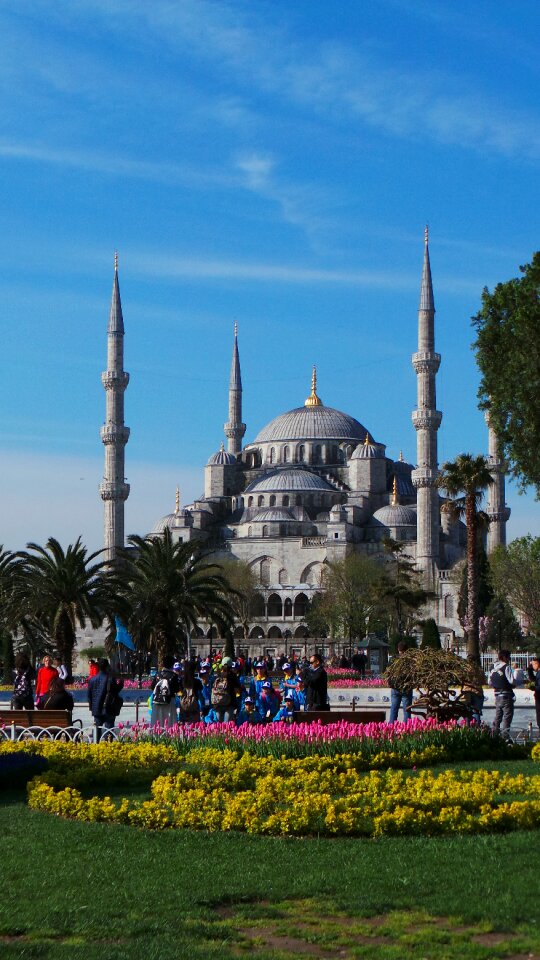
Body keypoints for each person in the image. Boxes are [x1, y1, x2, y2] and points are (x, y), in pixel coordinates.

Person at [88, 658, 124, 740]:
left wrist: (91, 708)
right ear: (107, 666)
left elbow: (89, 696)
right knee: (109, 730)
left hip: (96, 708)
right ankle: (109, 748)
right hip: (108, 707)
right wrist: (121, 683)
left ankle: (96, 746)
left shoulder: (92, 680)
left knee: (97, 730)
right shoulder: (110, 679)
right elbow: (115, 690)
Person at [490, 649, 515, 739]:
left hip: (497, 695)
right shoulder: (506, 667)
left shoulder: (493, 668)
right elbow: (511, 681)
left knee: (498, 717)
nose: (509, 659)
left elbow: (489, 682)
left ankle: (495, 735)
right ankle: (505, 737)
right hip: (506, 695)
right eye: (509, 657)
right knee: (507, 717)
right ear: (505, 657)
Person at [151, 655, 181, 727]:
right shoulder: (174, 676)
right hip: (169, 703)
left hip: (157, 703)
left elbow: (152, 687)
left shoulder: (157, 675)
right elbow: (176, 689)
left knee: (158, 724)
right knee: (169, 723)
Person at [389, 641, 413, 723]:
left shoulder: (393, 659)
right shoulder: (410, 660)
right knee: (407, 710)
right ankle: (406, 728)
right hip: (406, 687)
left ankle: (391, 727)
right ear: (407, 650)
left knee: (394, 709)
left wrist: (391, 684)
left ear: (398, 649)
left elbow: (388, 672)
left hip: (395, 687)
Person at [527, 655, 540, 731]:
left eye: (534, 664)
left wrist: (534, 688)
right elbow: (533, 679)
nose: (533, 665)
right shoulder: (538, 672)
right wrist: (529, 670)